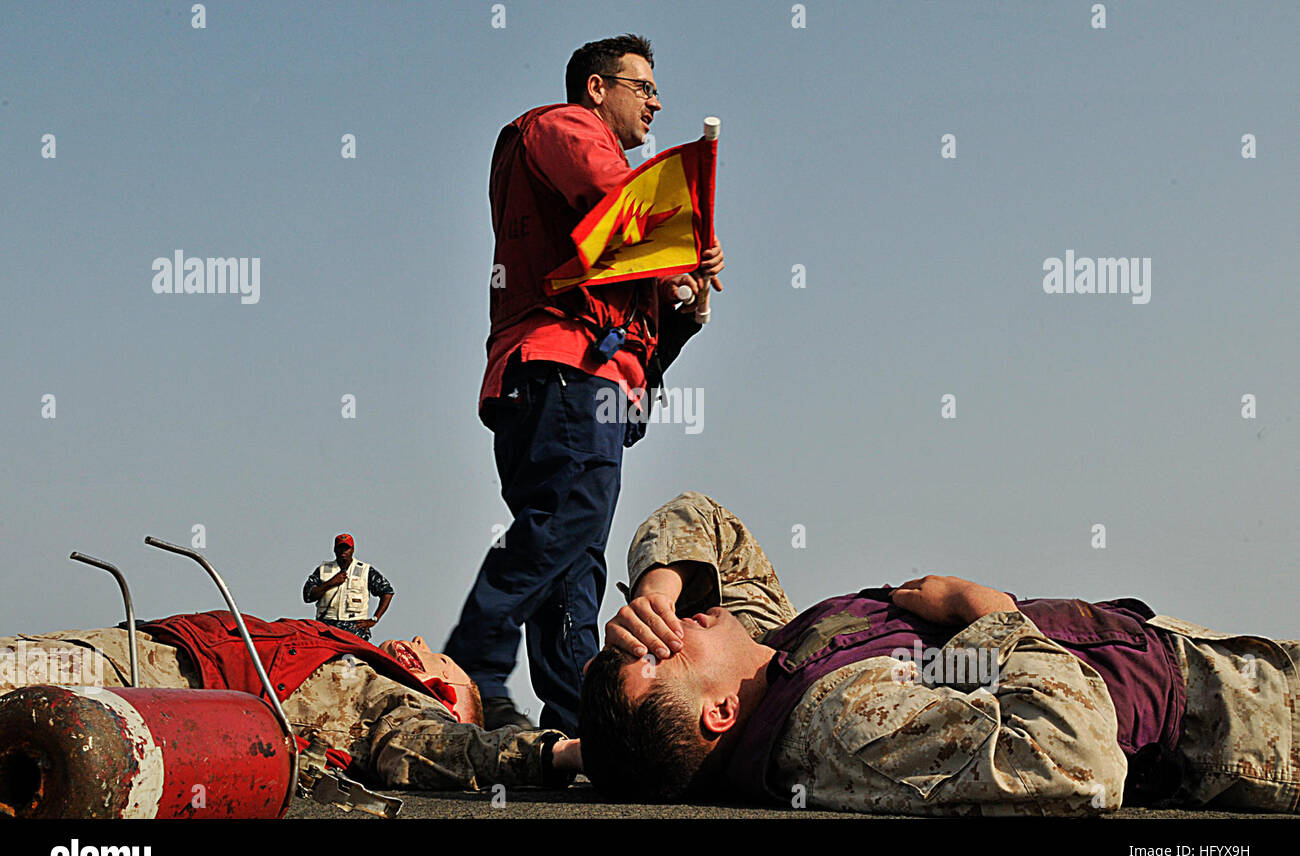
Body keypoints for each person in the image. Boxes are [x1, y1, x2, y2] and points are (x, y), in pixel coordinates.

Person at [580, 491, 1300, 816]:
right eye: (662, 654)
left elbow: (701, 518)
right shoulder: (840, 720)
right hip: (1235, 729)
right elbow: (1076, 765)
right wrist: (988, 615)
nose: (666, 627)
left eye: (653, 624)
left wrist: (658, 583)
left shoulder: (773, 658)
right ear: (721, 711)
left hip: (1204, 666)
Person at [444, 33, 724, 734]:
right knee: (561, 527)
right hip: (566, 371)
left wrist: (684, 299)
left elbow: (645, 329)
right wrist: (677, 250)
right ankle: (470, 664)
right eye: (643, 86)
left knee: (573, 565)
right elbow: (615, 209)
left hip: (568, 379)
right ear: (597, 88)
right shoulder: (564, 126)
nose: (656, 102)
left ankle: (574, 724)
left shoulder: (599, 212)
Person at [0, 612, 580, 793]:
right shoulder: (345, 650)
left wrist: (559, 754)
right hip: (141, 656)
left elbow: (448, 749)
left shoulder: (400, 704)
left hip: (139, 681)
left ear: (446, 698)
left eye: (439, 662)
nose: (423, 644)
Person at [303, 533, 394, 641]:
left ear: (353, 550)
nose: (343, 551)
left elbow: (387, 592)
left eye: (346, 548)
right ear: (334, 549)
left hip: (355, 627)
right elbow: (308, 596)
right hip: (326, 626)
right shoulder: (323, 570)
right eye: (340, 548)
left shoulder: (365, 570)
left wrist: (374, 619)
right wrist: (330, 583)